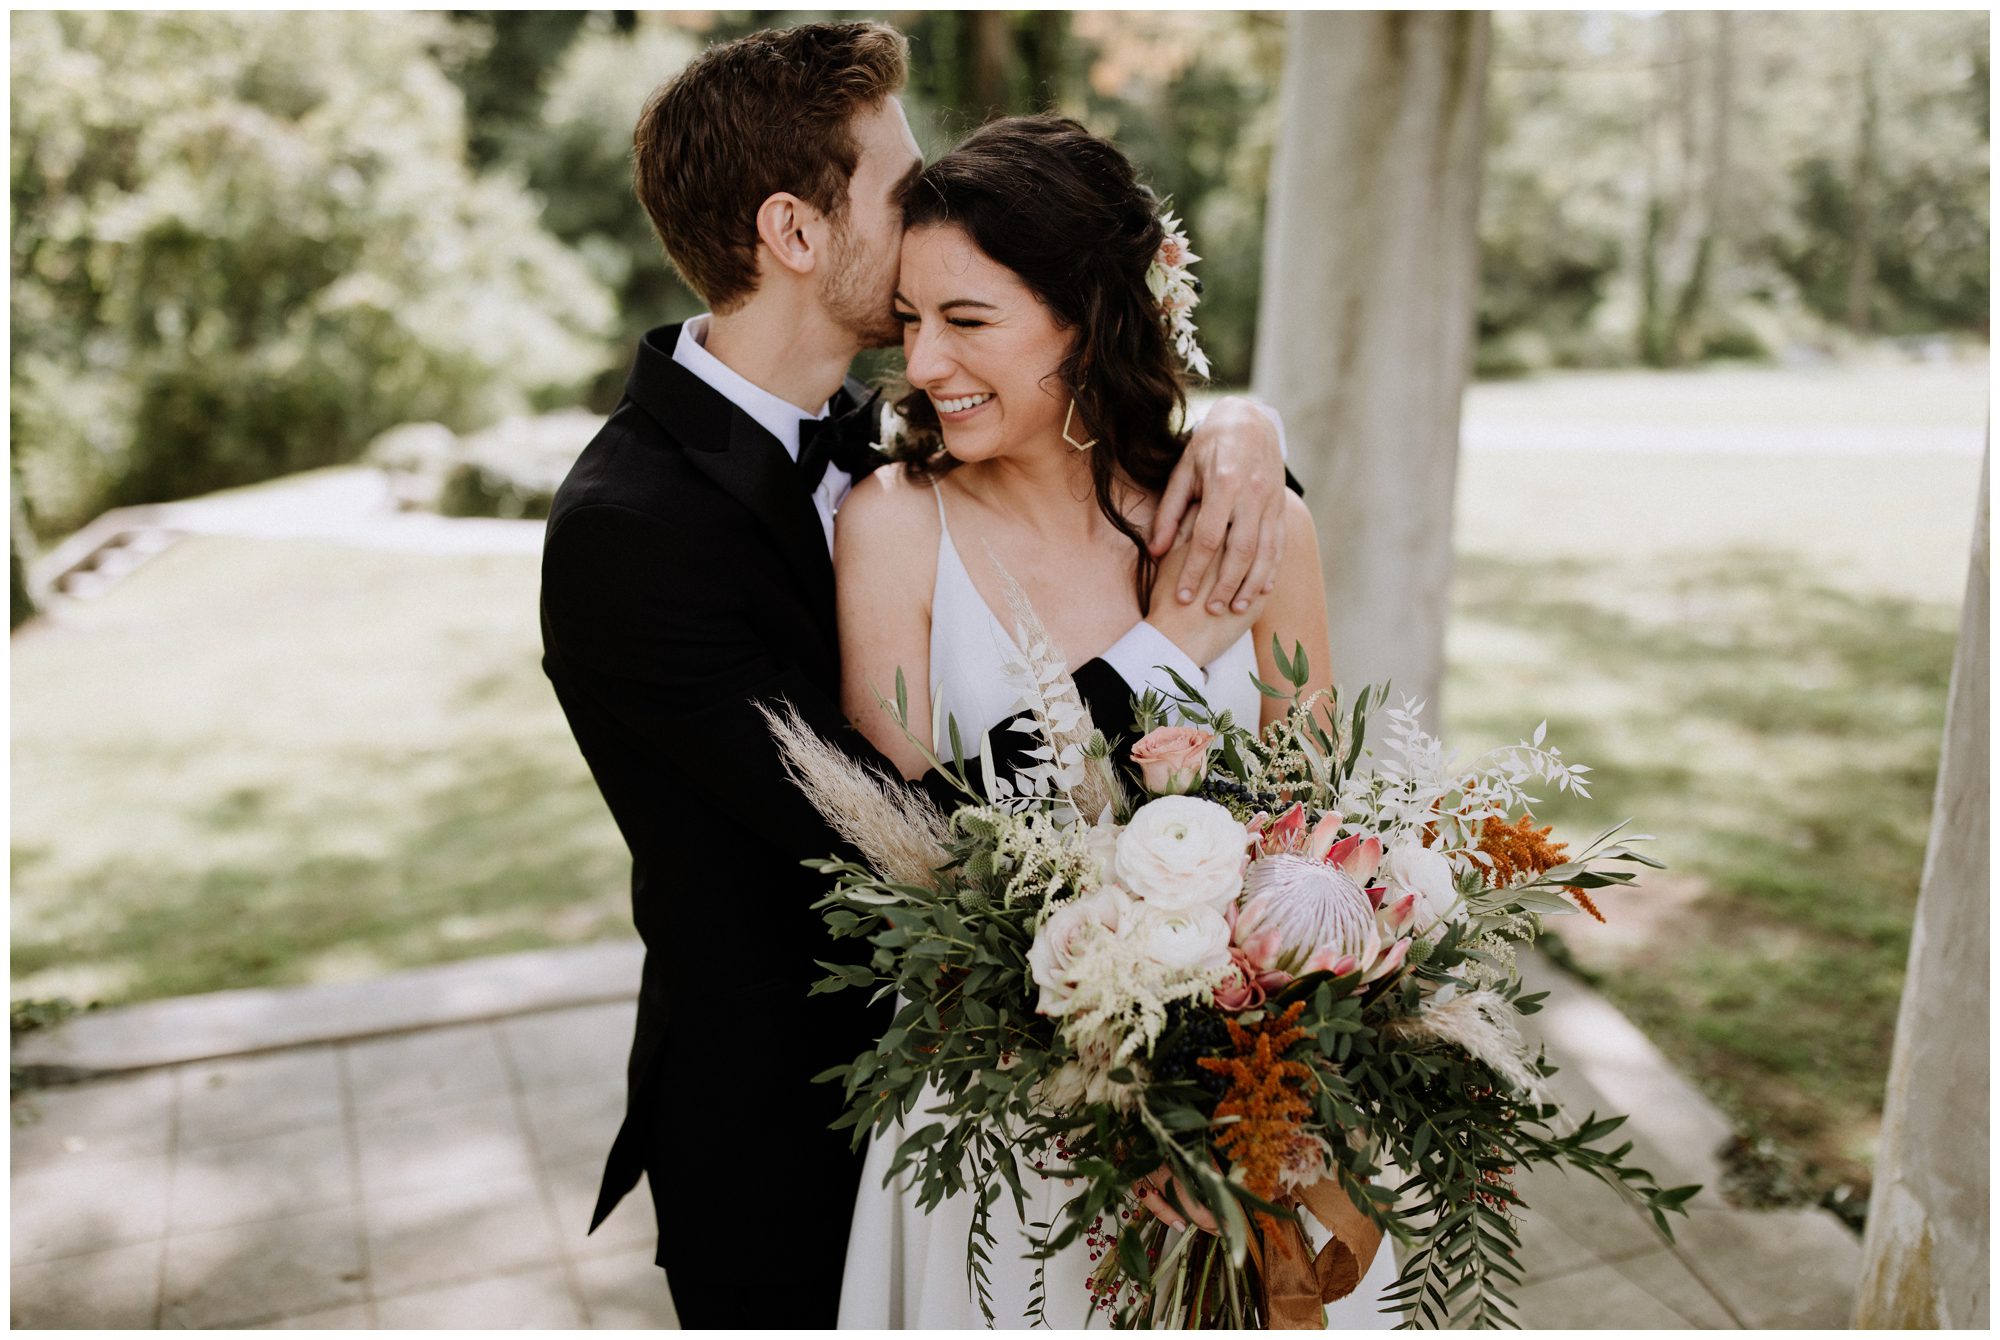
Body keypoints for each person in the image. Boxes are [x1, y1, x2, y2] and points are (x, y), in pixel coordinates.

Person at [538, 22, 1292, 1329]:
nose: (938, 198)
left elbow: (1080, 448)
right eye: (902, 180)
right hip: (793, 1134)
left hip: (1047, 1086)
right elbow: (906, 827)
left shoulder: (891, 426)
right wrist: (1166, 656)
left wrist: (1238, 427)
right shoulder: (629, 532)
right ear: (794, 230)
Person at [831, 115, 1402, 1329]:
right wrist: (1157, 651)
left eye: (967, 320)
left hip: (1246, 1122)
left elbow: (1317, 837)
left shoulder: (1256, 527)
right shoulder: (891, 523)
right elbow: (927, 848)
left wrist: (1240, 1098)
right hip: (1006, 1126)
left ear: (1086, 315)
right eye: (909, 320)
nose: (923, 361)